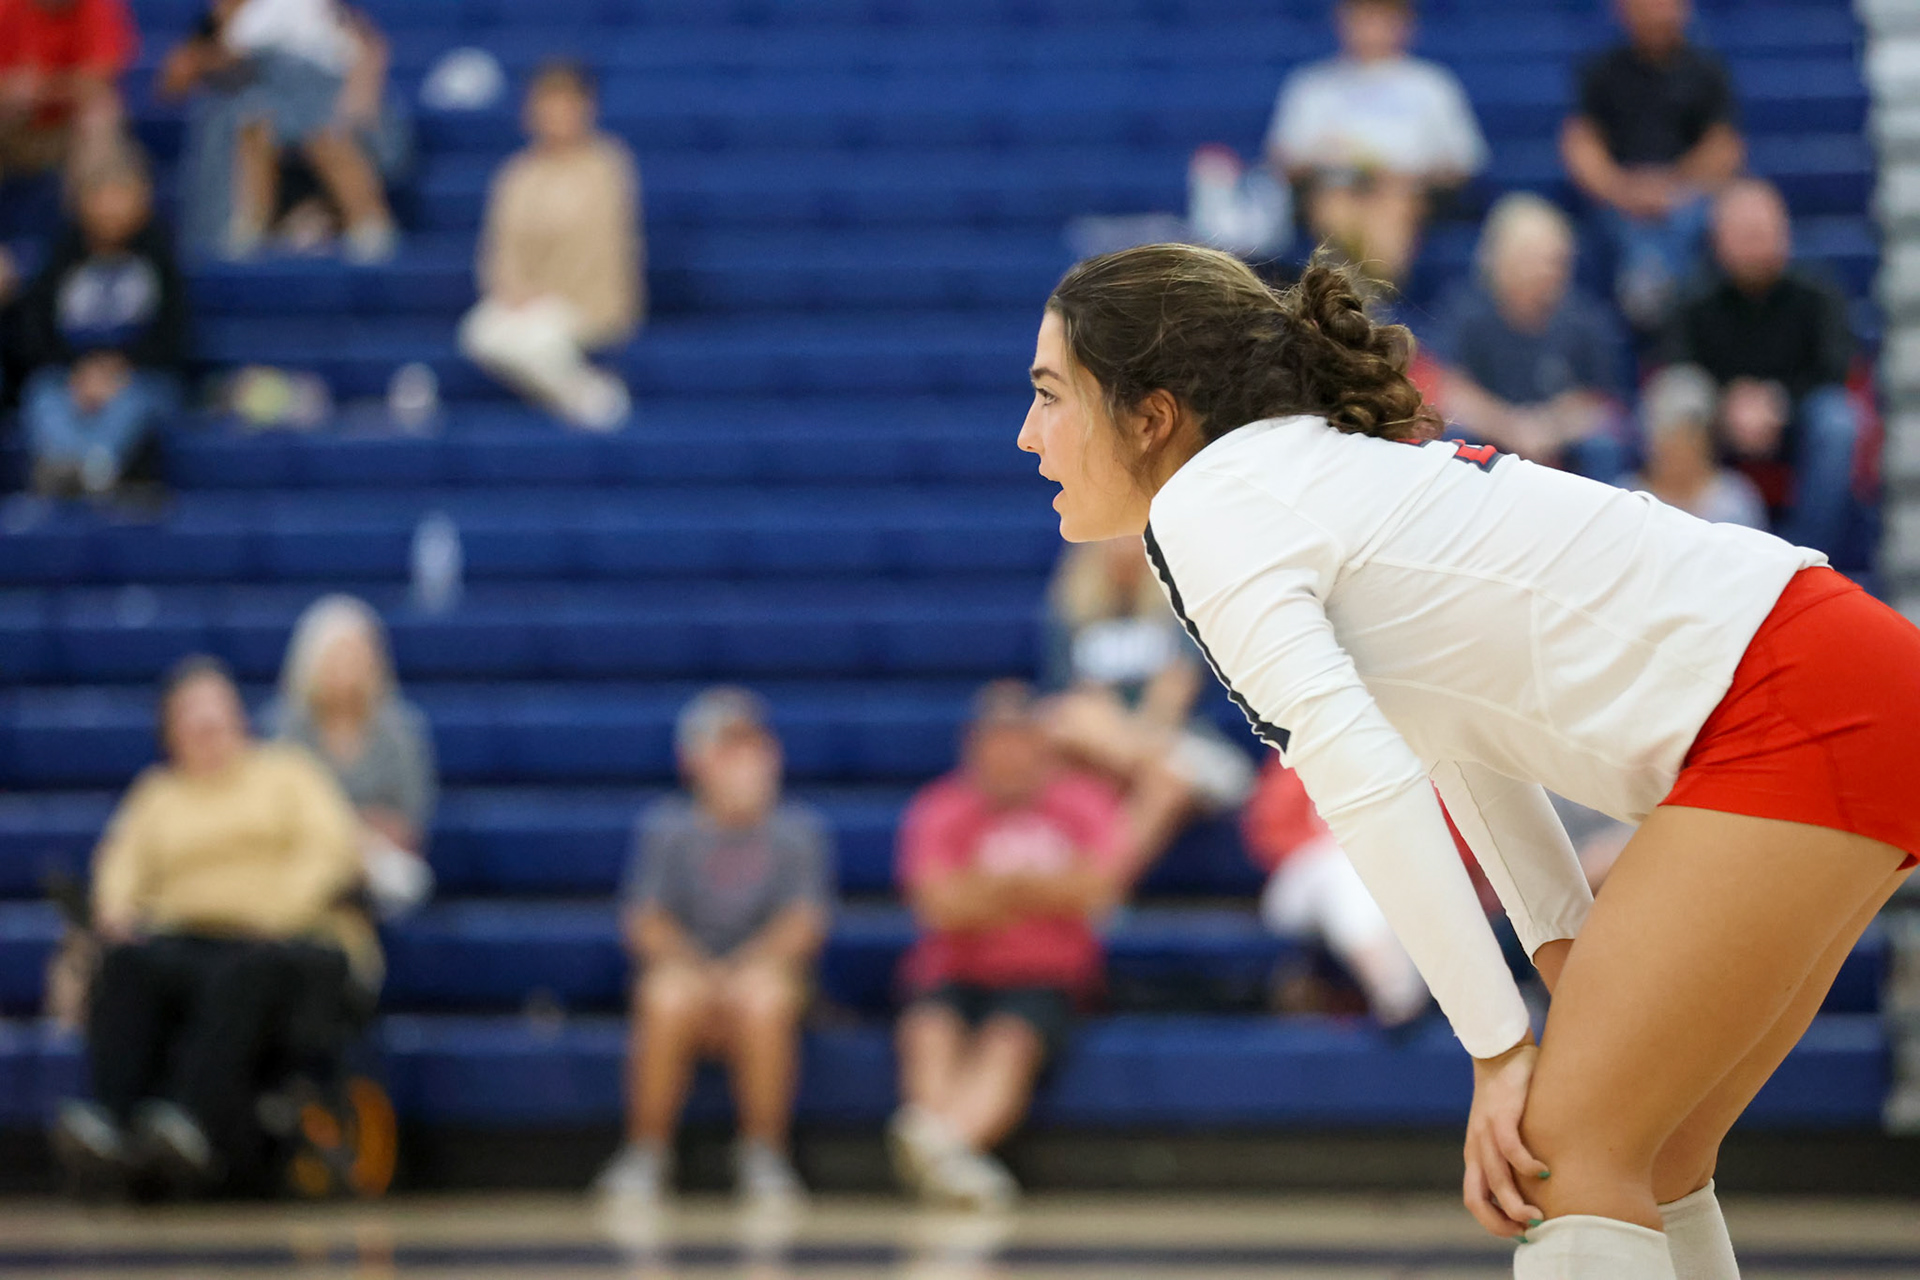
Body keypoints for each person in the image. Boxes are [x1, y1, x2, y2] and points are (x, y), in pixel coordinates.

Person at [1019, 242, 1916, 1278]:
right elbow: (1455, 738)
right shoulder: (1298, 473)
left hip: (1793, 700)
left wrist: (1499, 1048)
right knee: (1646, 1155)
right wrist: (1555, 958)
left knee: (1561, 1157)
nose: (1029, 433)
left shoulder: (1206, 506)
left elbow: (1367, 781)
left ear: (1151, 413)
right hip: (1841, 678)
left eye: (1050, 394)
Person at [52, 657, 371, 1196]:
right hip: (185, 940)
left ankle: (191, 1121)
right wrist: (118, 911)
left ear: (239, 719)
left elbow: (333, 852)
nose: (207, 728)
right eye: (192, 717)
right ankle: (118, 1125)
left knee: (242, 973)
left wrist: (269, 910)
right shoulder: (157, 795)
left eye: (217, 714)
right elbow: (119, 864)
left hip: (285, 942)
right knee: (127, 965)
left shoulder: (286, 774)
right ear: (171, 732)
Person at [889, 681, 1127, 1211]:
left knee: (1008, 1042)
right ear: (974, 747)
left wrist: (990, 890)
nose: (1009, 753)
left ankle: (938, 1144)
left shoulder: (1082, 802)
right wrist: (1036, 889)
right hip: (955, 967)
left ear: (1041, 744)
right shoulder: (942, 806)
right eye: (997, 740)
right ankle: (951, 1161)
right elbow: (937, 904)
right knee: (928, 1031)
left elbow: (1100, 888)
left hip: (1045, 976)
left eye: (1020, 739)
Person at [595, 687, 832, 1207]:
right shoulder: (668, 828)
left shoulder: (797, 830)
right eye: (730, 749)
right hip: (689, 970)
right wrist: (700, 970)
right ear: (696, 762)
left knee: (764, 999)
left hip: (764, 973)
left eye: (755, 746)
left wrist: (744, 969)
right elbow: (644, 921)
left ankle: (765, 1154)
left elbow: (805, 923)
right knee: (665, 998)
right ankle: (646, 1152)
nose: (747, 762)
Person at [1662, 178, 1860, 559]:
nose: (1758, 245)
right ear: (1719, 239)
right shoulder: (1691, 299)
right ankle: (1693, 555)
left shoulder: (1817, 294)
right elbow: (1676, 366)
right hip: (1717, 420)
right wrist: (1729, 405)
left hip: (1794, 418)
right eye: (1746, 234)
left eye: (1765, 233)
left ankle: (1806, 556)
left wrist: (1776, 401)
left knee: (1838, 422)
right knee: (1678, 404)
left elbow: (1837, 366)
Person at [1041, 537, 1253, 885]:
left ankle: (1094, 889)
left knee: (1166, 782)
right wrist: (1131, 751)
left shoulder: (1181, 607)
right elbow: (1084, 698)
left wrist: (1134, 748)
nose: (1122, 546)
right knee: (1067, 721)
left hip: (1180, 742)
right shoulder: (1070, 611)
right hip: (1109, 743)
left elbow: (1173, 696)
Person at [459, 61, 642, 431]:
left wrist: (549, 293)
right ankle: (584, 394)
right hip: (525, 300)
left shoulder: (607, 165)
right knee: (479, 334)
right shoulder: (517, 175)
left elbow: (601, 248)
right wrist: (514, 288)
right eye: (546, 106)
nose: (554, 116)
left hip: (585, 298)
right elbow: (500, 248)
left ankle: (589, 402)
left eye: (564, 106)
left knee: (537, 338)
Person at [161, 1, 410, 260]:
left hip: (333, 110)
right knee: (255, 126)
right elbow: (174, 84)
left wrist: (358, 95)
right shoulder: (221, 26)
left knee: (325, 131)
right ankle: (246, 230)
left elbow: (368, 48)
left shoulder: (316, 13)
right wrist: (221, 29)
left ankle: (370, 230)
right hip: (267, 114)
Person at [1264, 0, 1484, 283]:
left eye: (1381, 18)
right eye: (1363, 18)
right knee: (1335, 207)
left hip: (1406, 194)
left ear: (1405, 25)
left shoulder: (1431, 85)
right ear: (1342, 22)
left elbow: (1464, 162)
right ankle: (1355, 302)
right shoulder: (1312, 85)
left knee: (1391, 206)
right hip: (1334, 189)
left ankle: (1365, 301)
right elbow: (1283, 159)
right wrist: (1325, 161)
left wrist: (1408, 176)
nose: (1371, 29)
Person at [16, 149, 187, 499]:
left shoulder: (160, 260)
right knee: (43, 396)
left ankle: (95, 470)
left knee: (132, 401)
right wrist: (79, 371)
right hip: (70, 375)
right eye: (101, 196)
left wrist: (120, 369)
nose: (111, 208)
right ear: (79, 203)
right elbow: (36, 330)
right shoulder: (62, 259)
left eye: (121, 195)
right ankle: (67, 465)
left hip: (139, 376)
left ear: (144, 200)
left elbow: (173, 334)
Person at [1561, 0, 1744, 328]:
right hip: (1619, 201)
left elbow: (1723, 148)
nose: (1659, 13)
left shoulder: (1707, 71)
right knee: (1631, 232)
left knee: (1689, 223)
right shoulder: (1602, 72)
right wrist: (1624, 190)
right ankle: (1676, 311)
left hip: (1688, 195)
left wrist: (1672, 187)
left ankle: (1656, 300)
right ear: (1623, 11)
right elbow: (1581, 145)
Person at [1432, 194, 1630, 482]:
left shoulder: (1586, 319)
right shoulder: (1464, 313)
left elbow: (1603, 401)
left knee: (1602, 446)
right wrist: (1511, 429)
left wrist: (1549, 427)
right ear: (1499, 259)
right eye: (1533, 259)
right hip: (1490, 438)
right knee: (1453, 437)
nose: (1547, 271)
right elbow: (1449, 388)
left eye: (1556, 260)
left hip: (1562, 443)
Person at [270, 595, 437, 919]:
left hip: (377, 863)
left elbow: (410, 821)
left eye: (355, 657)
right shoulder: (281, 729)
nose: (345, 670)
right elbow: (274, 813)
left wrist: (347, 833)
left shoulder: (403, 731)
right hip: (302, 859)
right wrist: (350, 828)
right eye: (335, 658)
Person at [1241, 759, 1428, 1028]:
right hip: (1305, 881)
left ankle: (1399, 994)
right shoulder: (1310, 740)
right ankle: (1399, 994)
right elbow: (1267, 833)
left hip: (1397, 880)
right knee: (1344, 867)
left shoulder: (1418, 751)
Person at [0, 0, 135, 186]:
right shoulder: (6, 8)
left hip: (69, 126)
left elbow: (97, 81)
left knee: (100, 111)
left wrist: (40, 89)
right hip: (13, 124)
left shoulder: (99, 7)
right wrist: (11, 88)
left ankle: (100, 205)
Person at [1624, 364, 1767, 529]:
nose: (1677, 449)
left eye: (1688, 437)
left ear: (1706, 440)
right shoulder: (1628, 500)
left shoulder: (1736, 501)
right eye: (1668, 436)